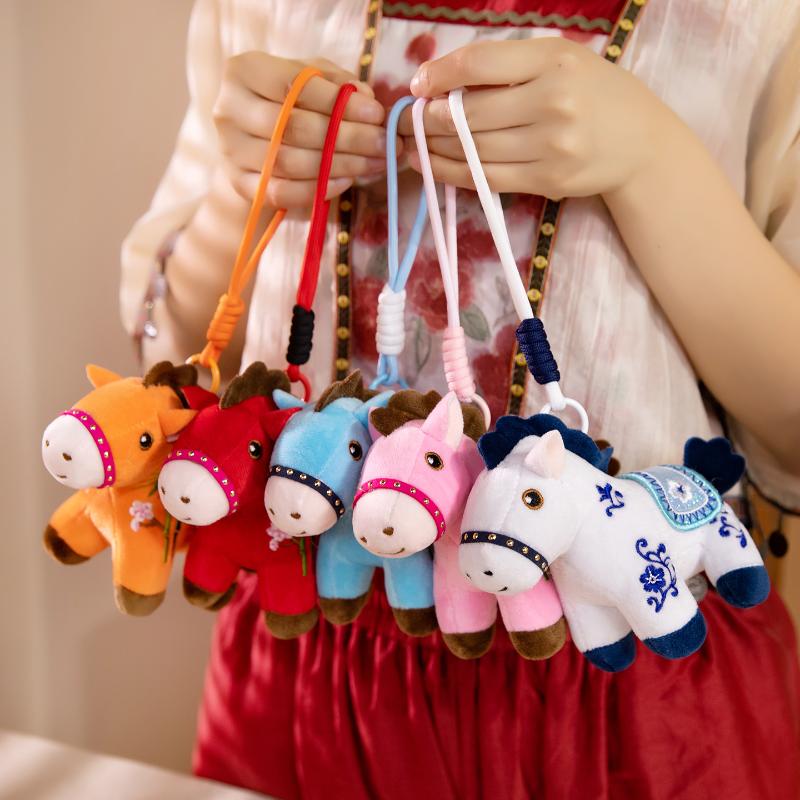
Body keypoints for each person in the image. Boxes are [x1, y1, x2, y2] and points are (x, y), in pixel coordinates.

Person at [121, 1, 800, 797]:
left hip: (632, 684)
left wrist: (653, 164)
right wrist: (244, 192)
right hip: (307, 652)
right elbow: (178, 361)